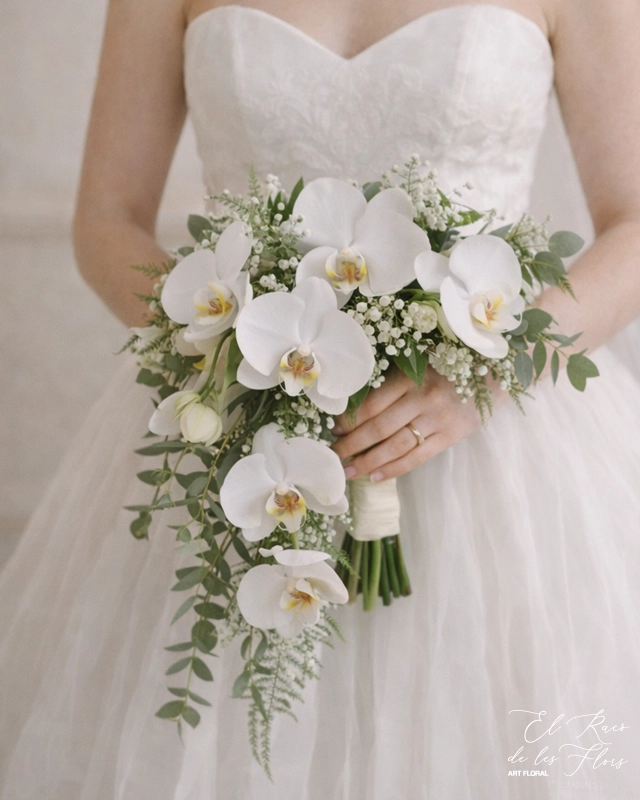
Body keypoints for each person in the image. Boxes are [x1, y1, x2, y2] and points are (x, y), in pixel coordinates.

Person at [1, 1, 640, 797]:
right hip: (238, 436)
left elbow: (635, 223)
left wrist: (484, 375)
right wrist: (233, 356)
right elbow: (105, 220)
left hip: (501, 443)